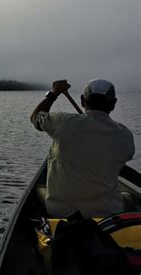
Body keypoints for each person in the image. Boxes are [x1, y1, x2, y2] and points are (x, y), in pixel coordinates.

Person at [30, 79, 135, 218]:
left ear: (82, 101)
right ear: (113, 104)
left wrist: (54, 93)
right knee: (129, 196)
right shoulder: (125, 135)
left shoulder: (64, 122)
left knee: (39, 190)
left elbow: (35, 117)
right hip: (107, 213)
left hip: (60, 212)